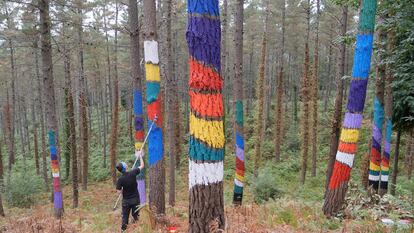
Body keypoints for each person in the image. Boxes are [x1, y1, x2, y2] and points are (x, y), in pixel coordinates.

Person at [116, 150, 144, 231]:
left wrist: (123, 190)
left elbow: (118, 191)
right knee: (136, 217)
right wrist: (140, 156)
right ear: (125, 167)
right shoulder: (133, 173)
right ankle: (136, 230)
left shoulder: (120, 180)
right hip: (135, 200)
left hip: (126, 202)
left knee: (125, 218)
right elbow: (142, 165)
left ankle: (123, 231)